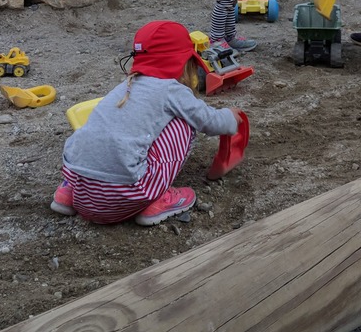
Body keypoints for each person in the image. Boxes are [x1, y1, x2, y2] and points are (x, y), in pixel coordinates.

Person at [50, 20, 242, 225]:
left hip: (83, 194)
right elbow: (208, 121)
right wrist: (231, 117)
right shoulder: (171, 89)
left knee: (100, 130)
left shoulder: (124, 87)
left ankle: (66, 192)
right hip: (124, 198)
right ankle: (158, 200)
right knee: (184, 122)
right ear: (184, 62)